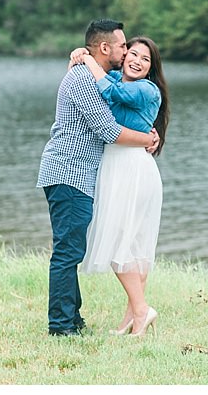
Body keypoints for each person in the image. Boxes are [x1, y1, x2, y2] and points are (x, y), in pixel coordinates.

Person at [37, 19, 160, 337]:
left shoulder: (97, 76)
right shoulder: (83, 79)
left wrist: (149, 131)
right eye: (123, 46)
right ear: (105, 48)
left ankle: (73, 319)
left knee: (71, 249)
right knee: (67, 251)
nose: (126, 52)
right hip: (68, 173)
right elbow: (108, 129)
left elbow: (127, 104)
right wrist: (146, 139)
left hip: (79, 175)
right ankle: (62, 326)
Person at [69, 36, 170, 337]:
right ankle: (133, 315)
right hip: (120, 165)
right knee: (132, 243)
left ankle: (141, 310)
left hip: (131, 168)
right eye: (133, 54)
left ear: (152, 68)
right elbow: (102, 73)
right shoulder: (113, 75)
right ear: (124, 56)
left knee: (118, 241)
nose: (137, 61)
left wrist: (87, 60)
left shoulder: (146, 89)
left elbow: (112, 91)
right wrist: (82, 53)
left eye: (145, 59)